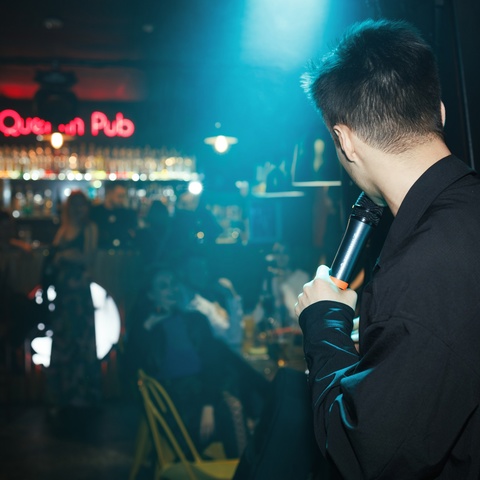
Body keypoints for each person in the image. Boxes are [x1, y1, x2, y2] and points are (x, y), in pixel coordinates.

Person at [295, 19, 480, 479]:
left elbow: (363, 451)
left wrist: (324, 322)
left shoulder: (422, 266)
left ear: (344, 140)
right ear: (439, 112)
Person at [126, 264, 254, 459]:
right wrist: (148, 326)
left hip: (203, 397)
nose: (172, 289)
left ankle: (242, 463)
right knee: (236, 412)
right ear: (151, 295)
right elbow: (131, 368)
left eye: (174, 284)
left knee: (235, 408)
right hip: (174, 408)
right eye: (163, 286)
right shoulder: (146, 329)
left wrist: (208, 406)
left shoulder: (195, 320)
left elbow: (213, 364)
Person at [45, 190, 101, 417]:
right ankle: (63, 398)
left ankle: (84, 398)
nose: (78, 209)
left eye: (82, 204)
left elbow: (89, 258)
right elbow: (53, 257)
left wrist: (65, 255)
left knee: (80, 341)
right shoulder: (63, 229)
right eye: (74, 204)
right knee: (63, 342)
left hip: (78, 293)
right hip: (63, 293)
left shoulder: (90, 228)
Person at [90, 181, 137, 250]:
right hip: (101, 251)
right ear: (109, 193)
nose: (122, 200)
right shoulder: (96, 212)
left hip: (122, 251)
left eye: (123, 196)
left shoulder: (128, 214)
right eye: (119, 196)